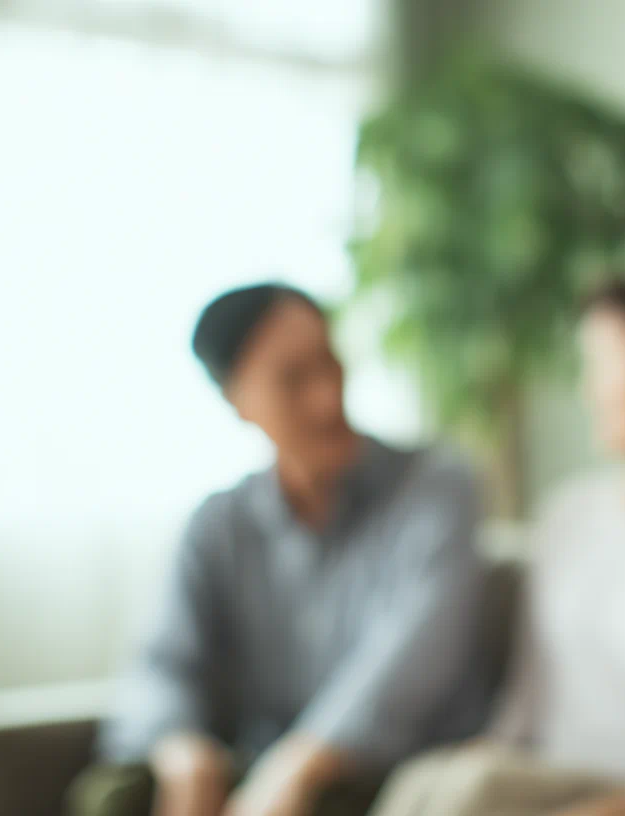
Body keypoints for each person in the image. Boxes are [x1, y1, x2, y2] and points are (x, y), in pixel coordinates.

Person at [68, 284, 491, 816]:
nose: (326, 398)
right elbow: (161, 664)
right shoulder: (217, 526)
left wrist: (301, 763)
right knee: (112, 796)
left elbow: (412, 656)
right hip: (259, 767)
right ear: (236, 400)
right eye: (292, 380)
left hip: (387, 772)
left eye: (330, 364)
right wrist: (183, 752)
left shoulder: (435, 486)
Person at [374, 281, 625, 816]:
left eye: (606, 364)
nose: (590, 390)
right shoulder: (570, 515)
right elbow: (527, 700)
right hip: (535, 779)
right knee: (431, 783)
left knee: (471, 792)